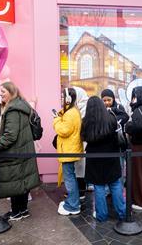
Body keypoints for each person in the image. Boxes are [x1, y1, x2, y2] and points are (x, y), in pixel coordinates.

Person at [0, 82, 40, 221]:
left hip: (15, 152)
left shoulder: (13, 110)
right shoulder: (22, 106)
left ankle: (16, 212)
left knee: (15, 182)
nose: (1, 94)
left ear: (11, 92)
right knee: (23, 181)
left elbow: (10, 135)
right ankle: (23, 210)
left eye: (3, 91)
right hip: (24, 150)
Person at [81, 96, 126, 222]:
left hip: (94, 158)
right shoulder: (111, 119)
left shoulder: (85, 122)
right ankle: (122, 213)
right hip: (111, 156)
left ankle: (101, 215)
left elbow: (84, 138)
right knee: (115, 184)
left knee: (99, 187)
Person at [53, 87, 83, 215]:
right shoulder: (71, 111)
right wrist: (60, 115)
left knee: (69, 178)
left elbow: (64, 130)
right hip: (69, 149)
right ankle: (73, 202)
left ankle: (73, 205)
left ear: (68, 99)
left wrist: (55, 120)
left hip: (68, 151)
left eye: (62, 97)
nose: (61, 99)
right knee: (70, 177)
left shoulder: (71, 113)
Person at [73, 86, 89, 200]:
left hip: (83, 142)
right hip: (78, 142)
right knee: (78, 167)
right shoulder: (76, 107)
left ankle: (81, 192)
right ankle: (79, 191)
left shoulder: (84, 108)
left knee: (81, 167)